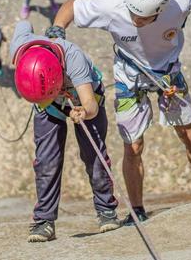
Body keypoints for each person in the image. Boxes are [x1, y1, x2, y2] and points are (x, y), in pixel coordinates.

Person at [46, 0, 191, 226]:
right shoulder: (113, 5)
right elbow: (71, 6)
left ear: (161, 9)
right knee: (133, 145)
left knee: (190, 135)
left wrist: (182, 18)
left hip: (168, 74)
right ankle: (137, 210)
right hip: (130, 77)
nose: (133, 18)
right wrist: (57, 30)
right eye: (132, 12)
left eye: (141, 16)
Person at [9, 20, 119, 242]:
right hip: (46, 101)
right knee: (46, 161)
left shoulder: (73, 57)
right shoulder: (19, 49)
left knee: (93, 155)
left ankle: (106, 211)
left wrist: (83, 112)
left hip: (83, 97)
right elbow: (23, 24)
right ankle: (44, 222)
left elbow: (91, 104)